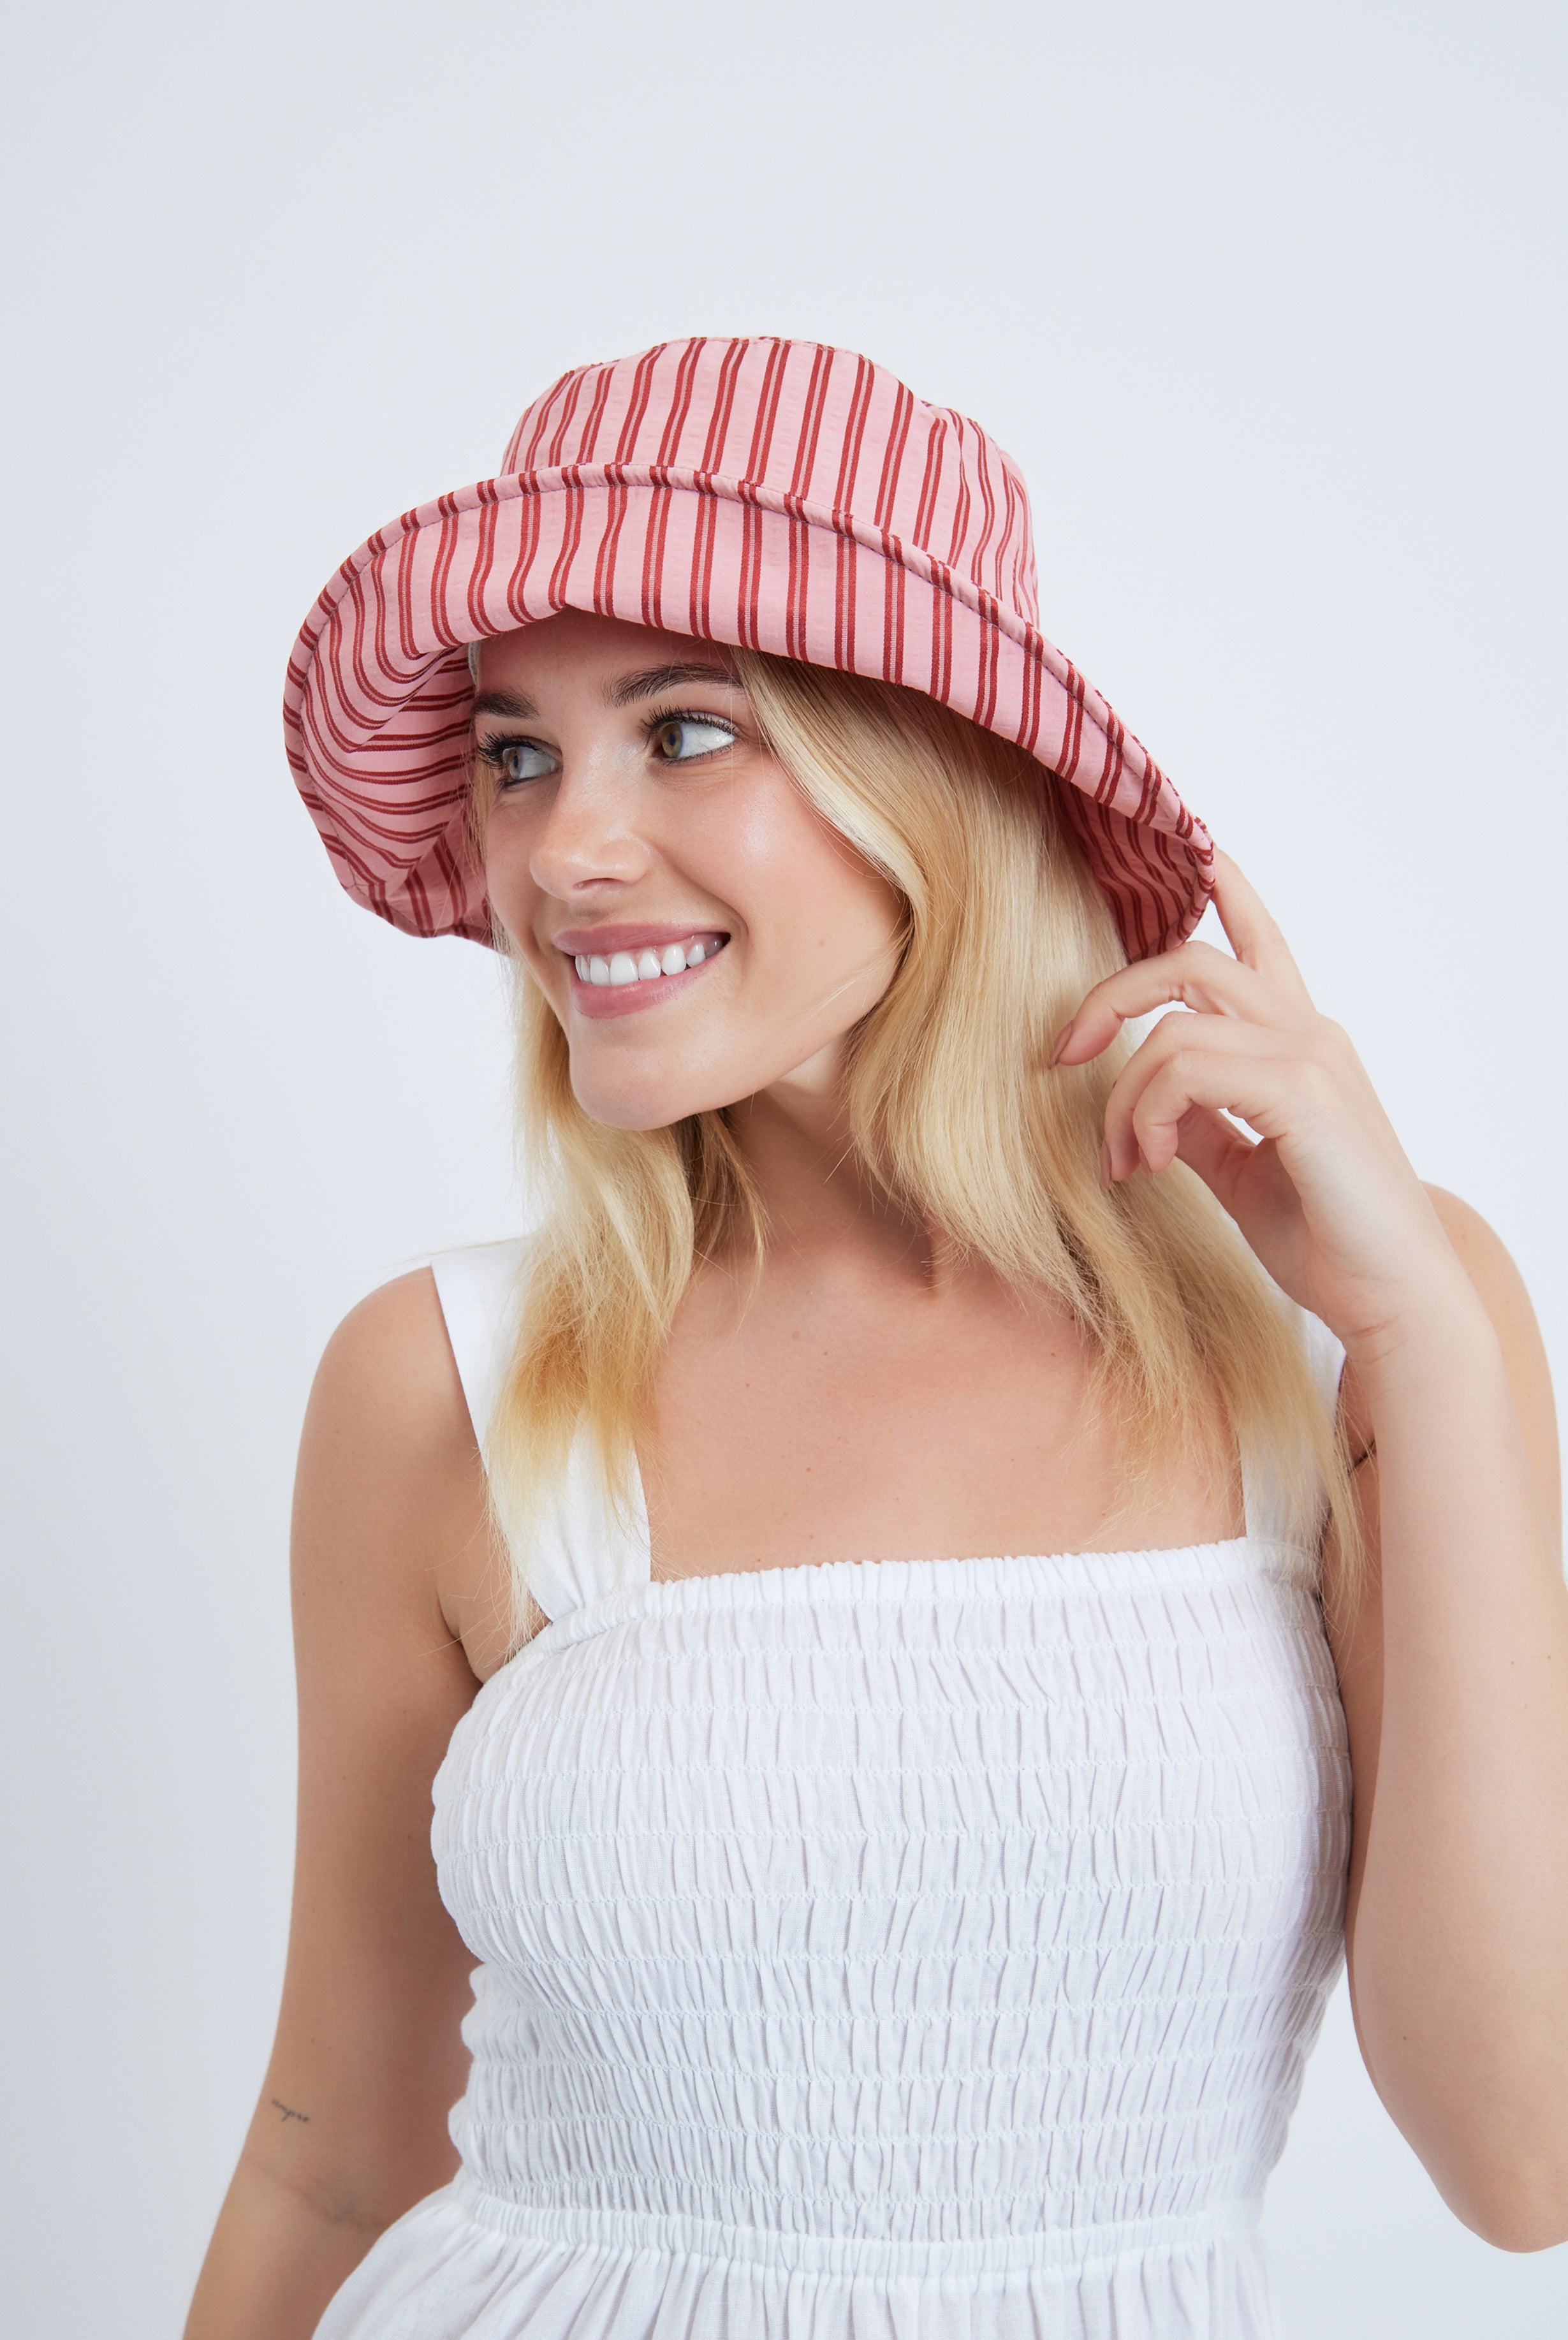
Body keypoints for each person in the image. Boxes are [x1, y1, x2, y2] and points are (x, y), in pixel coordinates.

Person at [184, 338, 1567, 2340]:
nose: (561, 852)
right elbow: (331, 2149)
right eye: (516, 754)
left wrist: (1418, 1339)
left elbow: (1519, 2159)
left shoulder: (1364, 1334)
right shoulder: (447, 1383)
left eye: (684, 731)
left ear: (935, 774)